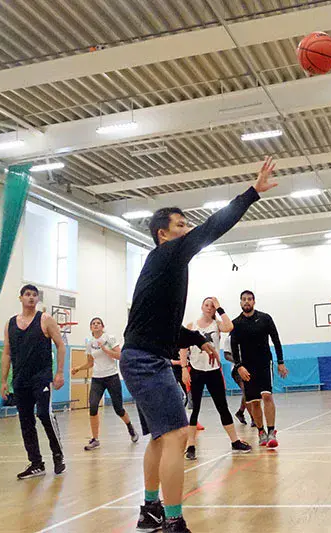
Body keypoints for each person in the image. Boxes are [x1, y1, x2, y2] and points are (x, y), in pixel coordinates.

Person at [121, 157, 277, 533]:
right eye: (180, 225)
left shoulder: (165, 266)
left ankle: (150, 509)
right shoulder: (168, 254)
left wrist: (197, 340)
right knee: (176, 435)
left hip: (144, 355)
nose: (187, 229)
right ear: (163, 233)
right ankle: (173, 521)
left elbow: (165, 327)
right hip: (145, 361)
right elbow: (213, 226)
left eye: (186, 224)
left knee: (161, 438)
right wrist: (252, 192)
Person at [1, 284, 67, 479]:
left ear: (37, 299)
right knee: (25, 421)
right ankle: (36, 462)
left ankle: (58, 454)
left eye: (34, 295)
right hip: (20, 380)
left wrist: (60, 372)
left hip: (41, 377)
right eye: (27, 294)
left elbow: (61, 346)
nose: (31, 298)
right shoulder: (10, 323)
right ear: (20, 298)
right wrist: (3, 381)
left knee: (44, 415)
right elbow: (6, 353)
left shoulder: (45, 319)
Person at [180, 297, 252, 460]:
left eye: (212, 306)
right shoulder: (192, 326)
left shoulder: (217, 325)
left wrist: (220, 308)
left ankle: (235, 442)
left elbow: (230, 326)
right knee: (195, 409)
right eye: (207, 305)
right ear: (201, 306)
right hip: (196, 371)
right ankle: (191, 446)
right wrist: (184, 369)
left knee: (222, 407)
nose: (209, 308)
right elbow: (183, 348)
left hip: (213, 371)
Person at [230, 290, 288, 448]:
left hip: (264, 363)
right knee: (254, 402)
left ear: (254, 302)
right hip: (247, 367)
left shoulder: (265, 318)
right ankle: (261, 432)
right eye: (244, 299)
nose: (246, 302)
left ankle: (271, 431)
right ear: (240, 302)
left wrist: (280, 362)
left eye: (249, 299)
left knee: (267, 396)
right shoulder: (235, 323)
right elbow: (234, 347)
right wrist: (239, 366)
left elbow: (276, 340)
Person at [73, 317, 139, 450]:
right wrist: (78, 368)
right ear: (91, 327)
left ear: (102, 327)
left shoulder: (109, 338)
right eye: (93, 324)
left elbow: (120, 356)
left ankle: (130, 428)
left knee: (118, 409)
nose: (96, 325)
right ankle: (95, 439)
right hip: (97, 378)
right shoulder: (90, 343)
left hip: (111, 377)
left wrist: (106, 350)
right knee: (92, 407)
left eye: (98, 323)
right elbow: (90, 363)